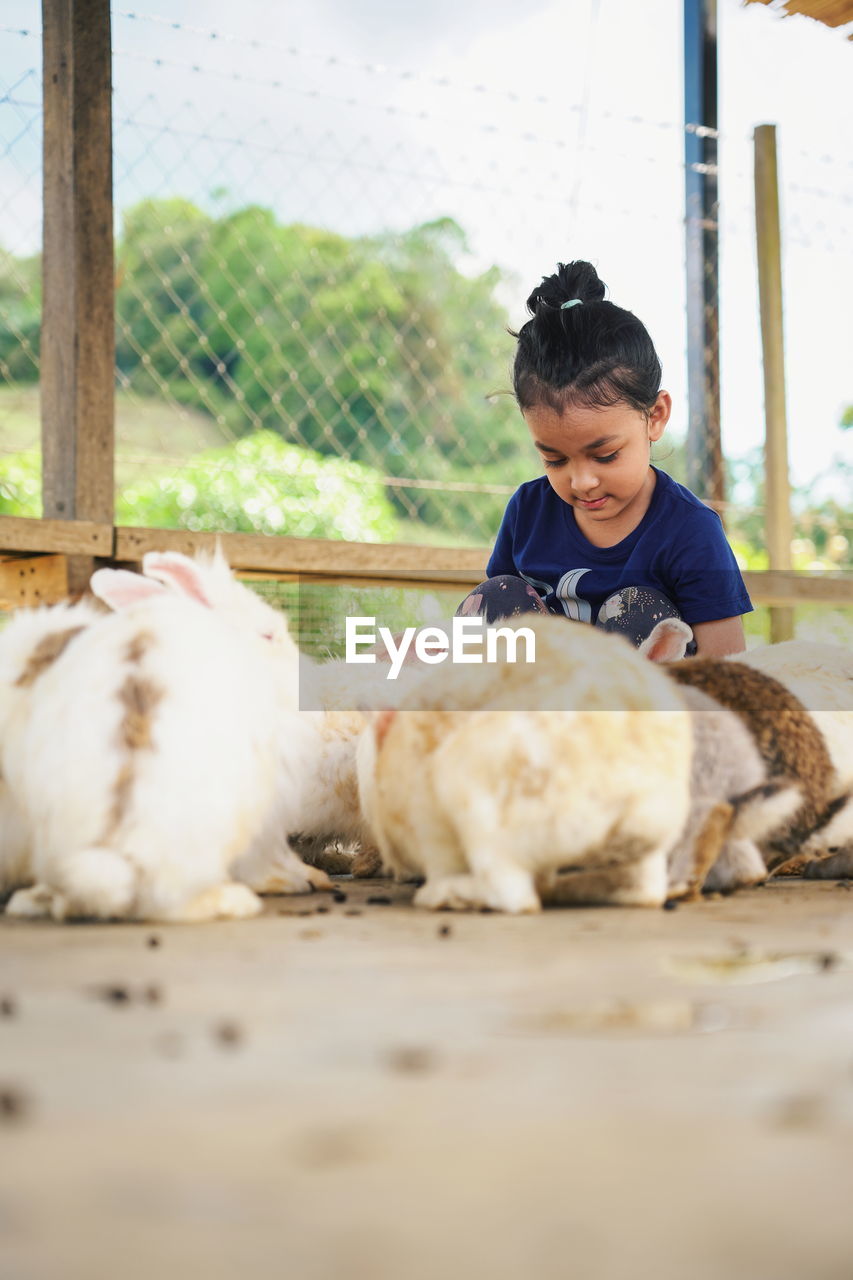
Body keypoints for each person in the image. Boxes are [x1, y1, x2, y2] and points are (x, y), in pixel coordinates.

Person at [457, 260, 752, 657]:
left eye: (606, 455)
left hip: (640, 705)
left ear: (655, 416)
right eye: (555, 460)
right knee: (497, 595)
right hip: (543, 698)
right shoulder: (528, 511)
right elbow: (493, 626)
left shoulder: (691, 532)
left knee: (634, 609)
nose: (581, 481)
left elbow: (726, 665)